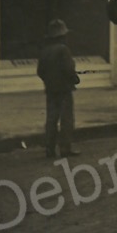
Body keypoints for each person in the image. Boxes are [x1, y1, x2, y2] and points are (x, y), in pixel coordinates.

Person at [37, 19, 81, 159]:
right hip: (64, 89)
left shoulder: (44, 51)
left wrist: (48, 81)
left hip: (51, 89)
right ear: (62, 36)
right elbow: (68, 69)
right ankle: (65, 148)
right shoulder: (63, 50)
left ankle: (49, 149)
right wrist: (75, 79)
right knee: (66, 119)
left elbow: (40, 71)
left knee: (51, 119)